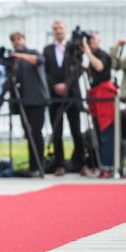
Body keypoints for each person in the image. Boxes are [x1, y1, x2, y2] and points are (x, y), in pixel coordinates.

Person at [43, 20, 89, 176]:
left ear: (65, 30)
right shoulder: (47, 50)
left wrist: (66, 85)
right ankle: (59, 164)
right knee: (57, 131)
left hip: (72, 96)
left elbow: (78, 69)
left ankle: (82, 163)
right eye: (55, 28)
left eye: (60, 28)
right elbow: (45, 71)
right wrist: (55, 85)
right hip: (54, 96)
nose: (58, 31)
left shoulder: (73, 48)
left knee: (76, 130)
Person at [10, 31, 50, 176]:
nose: (17, 42)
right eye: (14, 40)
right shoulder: (14, 61)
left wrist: (19, 56)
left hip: (38, 99)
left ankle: (39, 165)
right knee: (28, 134)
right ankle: (33, 165)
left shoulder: (32, 53)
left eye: (19, 39)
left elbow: (39, 60)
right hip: (23, 101)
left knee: (36, 133)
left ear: (24, 40)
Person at [84, 31, 116, 178]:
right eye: (88, 40)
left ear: (99, 41)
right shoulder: (90, 57)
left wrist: (88, 52)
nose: (90, 42)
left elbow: (100, 67)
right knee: (98, 133)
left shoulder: (102, 55)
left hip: (105, 96)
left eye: (93, 40)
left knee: (105, 134)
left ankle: (108, 166)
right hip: (95, 96)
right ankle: (102, 165)